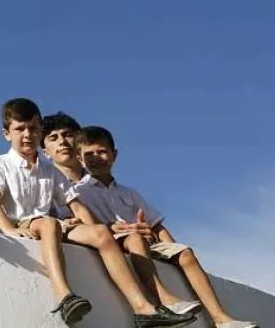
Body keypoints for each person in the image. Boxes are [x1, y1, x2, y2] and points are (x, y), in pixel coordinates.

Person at [0, 99, 193, 328]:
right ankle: (64, 295)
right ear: (6, 134)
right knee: (49, 224)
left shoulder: (49, 170)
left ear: (40, 130)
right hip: (22, 223)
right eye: (20, 129)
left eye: (33, 128)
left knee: (101, 233)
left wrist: (92, 228)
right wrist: (9, 228)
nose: (27, 134)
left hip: (48, 223)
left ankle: (142, 308)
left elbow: (76, 205)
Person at [75, 126, 259, 328]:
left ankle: (221, 318)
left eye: (102, 151)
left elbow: (156, 225)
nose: (96, 157)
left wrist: (173, 249)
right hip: (119, 242)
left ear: (114, 154)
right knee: (135, 239)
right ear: (79, 158)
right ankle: (163, 301)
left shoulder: (129, 193)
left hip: (146, 242)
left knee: (186, 253)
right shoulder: (79, 192)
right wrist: (113, 228)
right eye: (89, 153)